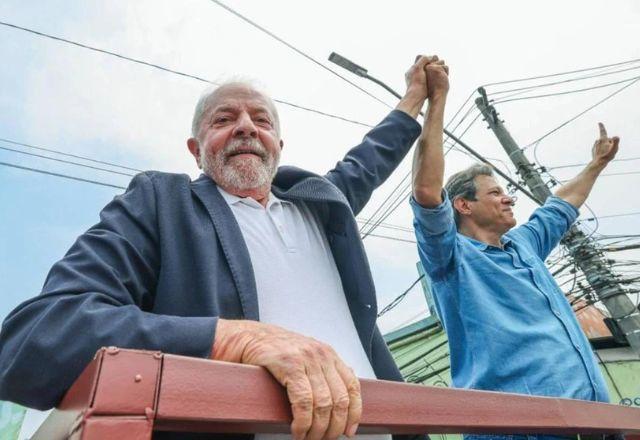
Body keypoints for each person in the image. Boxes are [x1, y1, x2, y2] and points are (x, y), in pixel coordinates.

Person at [0, 56, 443, 440]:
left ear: (279, 146)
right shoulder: (162, 205)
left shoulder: (319, 204)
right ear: (196, 150)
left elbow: (370, 157)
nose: (246, 127)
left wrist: (414, 97)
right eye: (223, 118)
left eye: (262, 120)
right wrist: (235, 339)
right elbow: (35, 337)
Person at [410, 57, 619, 440]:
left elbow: (561, 206)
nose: (509, 200)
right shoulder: (451, 258)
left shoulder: (523, 244)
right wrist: (437, 100)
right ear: (463, 205)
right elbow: (426, 191)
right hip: (518, 432)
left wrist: (596, 165)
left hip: (595, 424)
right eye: (495, 193)